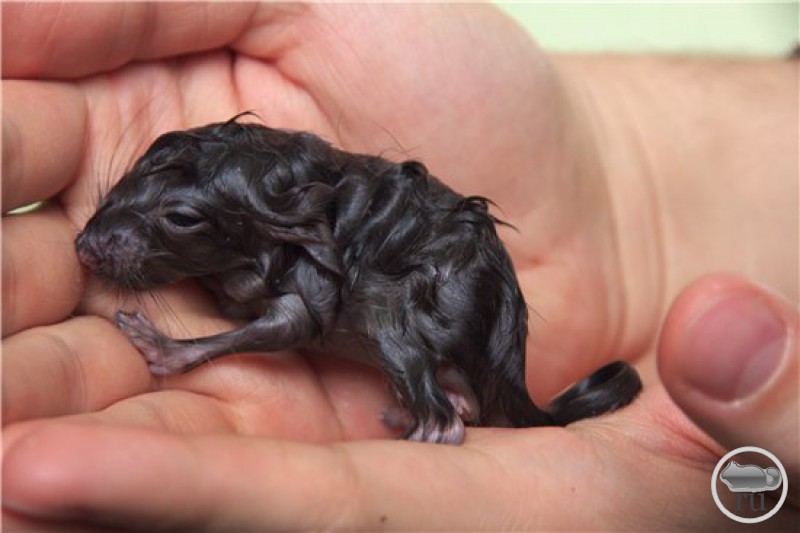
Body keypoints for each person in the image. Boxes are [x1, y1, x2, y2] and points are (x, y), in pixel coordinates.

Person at [2, 3, 797, 530]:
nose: (104, 241)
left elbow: (296, 319)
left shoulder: (303, 248)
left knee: (387, 306)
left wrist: (187, 350)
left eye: (175, 220)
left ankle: (436, 413)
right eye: (133, 195)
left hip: (444, 284)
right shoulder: (265, 219)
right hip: (439, 281)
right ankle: (445, 392)